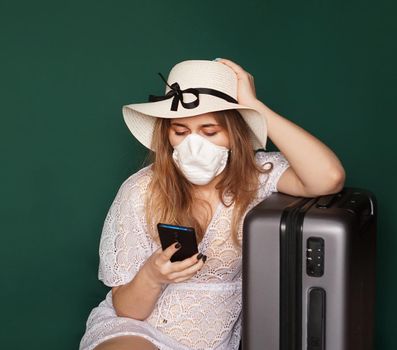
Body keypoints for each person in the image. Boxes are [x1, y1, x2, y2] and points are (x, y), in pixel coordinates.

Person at [79, 58, 345, 350]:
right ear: (167, 135)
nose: (194, 145)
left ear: (235, 133)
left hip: (212, 339)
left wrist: (256, 107)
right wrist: (152, 276)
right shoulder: (140, 191)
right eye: (180, 131)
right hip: (138, 329)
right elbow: (128, 310)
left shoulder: (257, 177)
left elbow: (328, 178)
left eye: (209, 131)